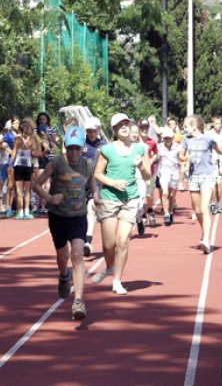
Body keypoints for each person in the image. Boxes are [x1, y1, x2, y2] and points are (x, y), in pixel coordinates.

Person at [32, 125, 99, 320]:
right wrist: (50, 198)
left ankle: (78, 300)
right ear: (65, 147)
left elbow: (92, 184)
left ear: (82, 148)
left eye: (77, 148)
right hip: (58, 216)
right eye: (70, 148)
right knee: (63, 257)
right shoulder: (57, 163)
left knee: (77, 254)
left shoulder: (87, 164)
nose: (73, 152)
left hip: (78, 216)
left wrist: (96, 197)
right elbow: (36, 185)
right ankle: (63, 276)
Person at [92, 113, 151, 295]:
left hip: (130, 199)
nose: (124, 127)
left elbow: (148, 175)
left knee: (123, 241)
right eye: (120, 125)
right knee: (109, 244)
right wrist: (112, 183)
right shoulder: (107, 150)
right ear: (115, 130)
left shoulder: (140, 149)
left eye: (126, 123)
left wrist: (141, 165)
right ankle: (109, 267)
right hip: (109, 198)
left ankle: (117, 280)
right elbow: (97, 174)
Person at [180, 114, 222, 254]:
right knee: (197, 210)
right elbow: (180, 156)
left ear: (194, 127)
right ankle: (205, 232)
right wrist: (186, 157)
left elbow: (219, 150)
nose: (184, 128)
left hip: (207, 176)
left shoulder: (208, 139)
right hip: (193, 177)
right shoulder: (186, 140)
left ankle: (206, 241)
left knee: (204, 209)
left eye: (186, 126)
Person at [82, 117, 107, 257]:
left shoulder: (103, 145)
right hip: (80, 183)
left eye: (94, 131)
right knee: (81, 214)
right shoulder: (80, 143)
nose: (92, 134)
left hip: (96, 183)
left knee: (91, 208)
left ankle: (88, 241)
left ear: (98, 130)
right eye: (89, 131)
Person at [9, 118, 40, 220]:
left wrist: (10, 164)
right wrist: (30, 152)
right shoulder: (32, 139)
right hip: (26, 166)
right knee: (26, 190)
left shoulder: (18, 139)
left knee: (20, 190)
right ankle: (24, 211)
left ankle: (21, 212)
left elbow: (13, 152)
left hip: (19, 166)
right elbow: (36, 153)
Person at [156, 127, 181, 226]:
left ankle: (170, 212)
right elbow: (155, 157)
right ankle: (166, 214)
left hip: (174, 172)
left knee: (172, 195)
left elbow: (181, 158)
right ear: (163, 138)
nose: (167, 140)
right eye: (165, 138)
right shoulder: (159, 147)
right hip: (164, 172)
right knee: (165, 193)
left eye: (169, 138)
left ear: (173, 137)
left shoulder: (178, 147)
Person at [209, 115, 222, 214]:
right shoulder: (209, 134)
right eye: (216, 123)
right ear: (213, 124)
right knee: (213, 184)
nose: (218, 125)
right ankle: (212, 203)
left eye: (220, 123)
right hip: (212, 160)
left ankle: (218, 203)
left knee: (219, 183)